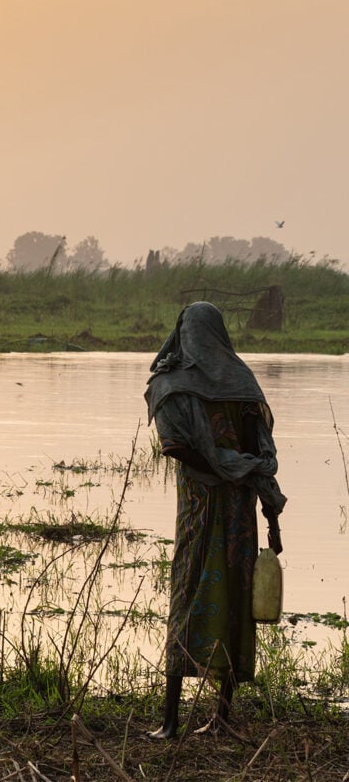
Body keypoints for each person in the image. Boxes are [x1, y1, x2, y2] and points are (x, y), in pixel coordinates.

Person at [144, 302, 286, 739]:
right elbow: (258, 458)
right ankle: (216, 717)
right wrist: (271, 517)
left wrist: (214, 462)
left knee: (189, 595)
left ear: (183, 332)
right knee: (235, 600)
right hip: (237, 507)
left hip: (201, 509)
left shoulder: (170, 384)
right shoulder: (240, 382)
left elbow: (172, 446)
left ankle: (174, 722)